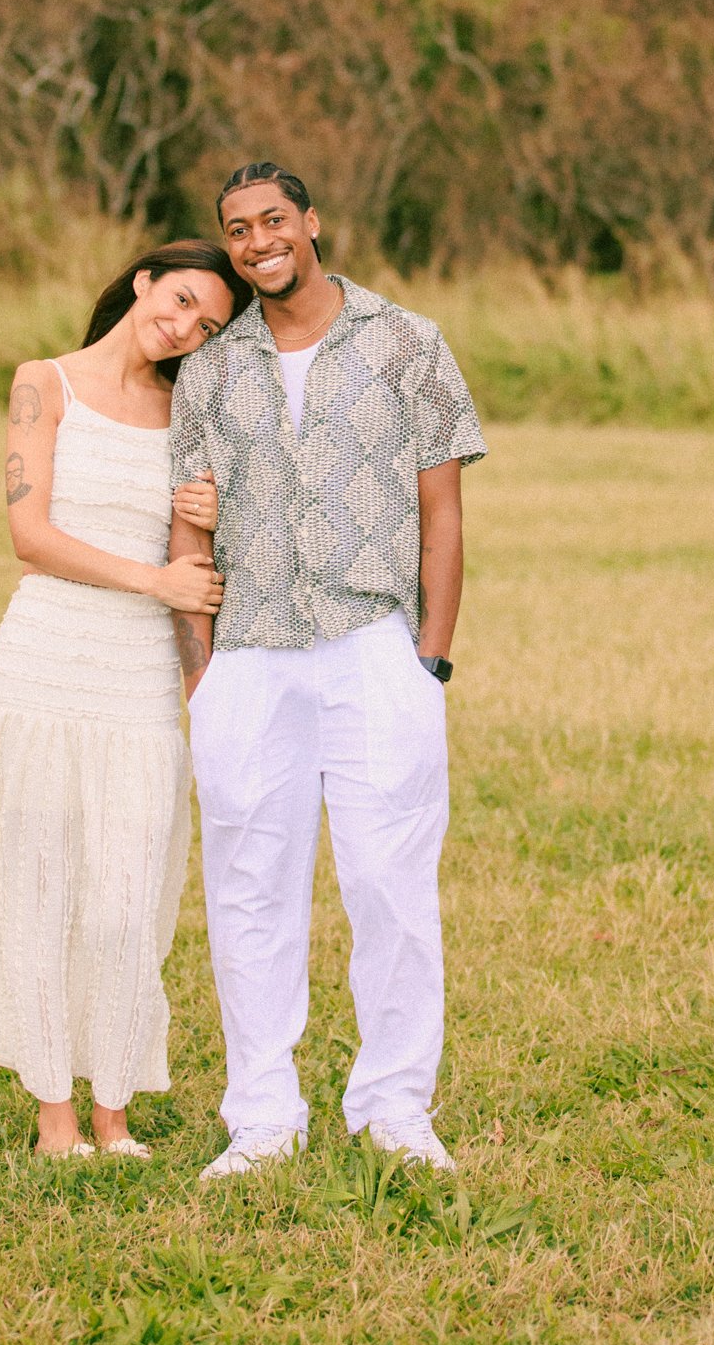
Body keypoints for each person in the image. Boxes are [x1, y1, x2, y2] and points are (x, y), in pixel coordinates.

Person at [168, 163, 486, 1178]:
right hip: (249, 654)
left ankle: (395, 1109)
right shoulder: (212, 370)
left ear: (311, 222)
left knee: (390, 885)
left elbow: (443, 514)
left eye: (274, 219)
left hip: (373, 644)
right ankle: (263, 1118)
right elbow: (187, 527)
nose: (258, 240)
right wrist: (202, 675)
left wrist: (429, 656)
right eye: (237, 229)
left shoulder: (406, 341)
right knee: (248, 891)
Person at [0, 241, 250, 1158]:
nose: (184, 329)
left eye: (207, 326)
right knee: (37, 886)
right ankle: (57, 1119)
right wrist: (154, 582)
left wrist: (204, 688)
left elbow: (194, 570)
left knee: (124, 900)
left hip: (138, 682)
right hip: (43, 664)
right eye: (180, 301)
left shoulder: (188, 415)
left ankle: (114, 1107)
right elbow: (30, 537)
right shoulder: (45, 383)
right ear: (143, 281)